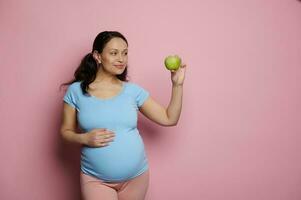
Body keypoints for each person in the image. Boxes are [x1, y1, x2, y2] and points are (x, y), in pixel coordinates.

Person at [60, 31, 186, 200]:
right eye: (114, 53)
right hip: (96, 180)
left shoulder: (133, 91)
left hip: (136, 178)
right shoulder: (76, 91)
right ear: (97, 56)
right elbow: (65, 131)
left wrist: (177, 85)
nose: (121, 59)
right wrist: (85, 139)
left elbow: (169, 118)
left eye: (125, 53)